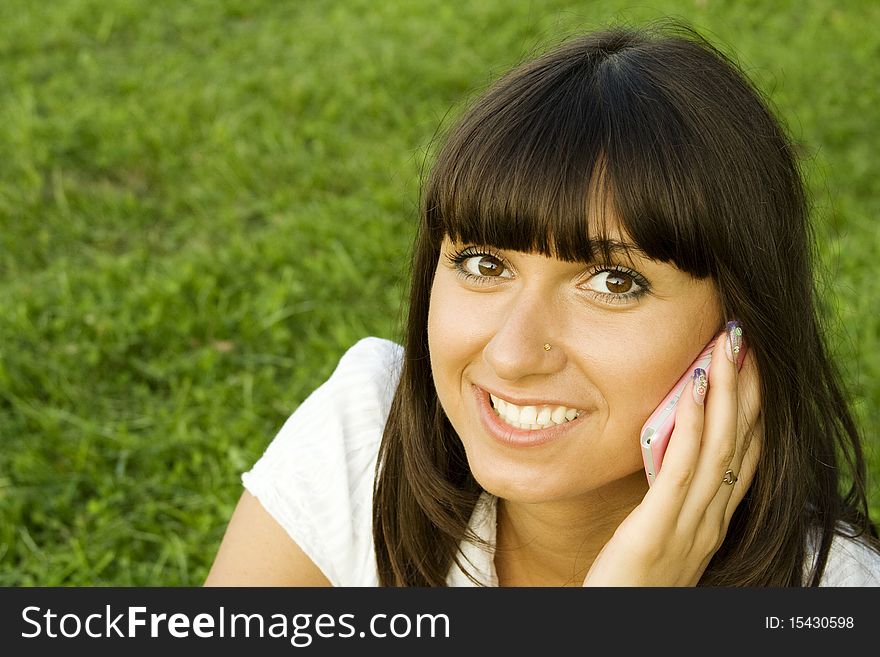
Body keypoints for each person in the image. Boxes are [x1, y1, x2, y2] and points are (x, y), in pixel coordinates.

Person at [204, 22, 880, 586]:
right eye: (484, 263)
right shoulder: (365, 440)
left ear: (740, 327)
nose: (513, 353)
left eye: (614, 282)